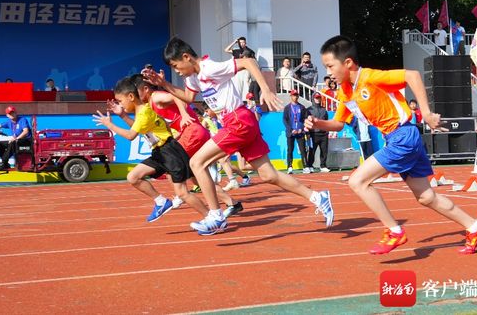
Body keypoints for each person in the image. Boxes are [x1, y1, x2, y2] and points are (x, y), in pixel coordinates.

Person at [306, 35, 477, 255]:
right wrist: (318, 123)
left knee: (358, 181)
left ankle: (394, 231)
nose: (328, 72)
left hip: (403, 136)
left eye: (330, 66)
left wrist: (427, 113)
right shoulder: (345, 91)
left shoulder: (371, 77)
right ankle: (474, 226)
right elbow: (337, 124)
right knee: (426, 197)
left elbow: (412, 75)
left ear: (348, 63)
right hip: (397, 138)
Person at [142, 37, 334, 235]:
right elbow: (189, 98)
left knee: (196, 162)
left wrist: (266, 90)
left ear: (186, 57)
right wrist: (163, 83)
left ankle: (216, 215)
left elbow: (248, 62)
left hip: (238, 120)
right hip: (239, 123)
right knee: (268, 175)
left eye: (176, 66)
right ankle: (318, 197)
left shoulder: (209, 67)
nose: (177, 71)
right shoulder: (192, 78)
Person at [92, 76, 211, 228]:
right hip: (160, 153)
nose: (120, 105)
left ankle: (210, 216)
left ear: (130, 96)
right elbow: (137, 127)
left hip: (170, 152)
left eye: (120, 101)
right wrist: (121, 114)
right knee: (133, 177)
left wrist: (110, 125)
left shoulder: (144, 112)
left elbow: (131, 135)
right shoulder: (142, 112)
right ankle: (161, 202)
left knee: (182, 193)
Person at [131, 73, 243, 218]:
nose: (135, 95)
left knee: (173, 164)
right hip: (191, 133)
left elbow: (177, 97)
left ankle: (181, 195)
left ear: (145, 89)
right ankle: (231, 203)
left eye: (136, 91)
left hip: (192, 133)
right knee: (197, 176)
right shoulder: (150, 104)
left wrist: (184, 114)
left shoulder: (156, 97)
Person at [0, 106, 31, 170]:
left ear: (16, 112)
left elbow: (26, 131)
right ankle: (6, 163)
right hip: (17, 141)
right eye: (10, 113)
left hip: (26, 141)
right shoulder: (9, 122)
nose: (12, 114)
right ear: (7, 115)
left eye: (13, 112)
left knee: (13, 142)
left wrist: (16, 138)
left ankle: (3, 163)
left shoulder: (22, 119)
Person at [283, 89, 310, 174]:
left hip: (300, 132)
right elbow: (285, 120)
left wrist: (301, 129)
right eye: (293, 95)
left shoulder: (302, 107)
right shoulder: (287, 108)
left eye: (296, 95)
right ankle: (290, 167)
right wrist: (291, 130)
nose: (295, 97)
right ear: (291, 96)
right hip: (291, 133)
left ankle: (305, 166)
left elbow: (305, 119)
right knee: (290, 150)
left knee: (303, 150)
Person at [307, 93, 330, 173]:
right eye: (316, 98)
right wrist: (308, 133)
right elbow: (307, 122)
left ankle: (323, 165)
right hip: (313, 134)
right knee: (312, 151)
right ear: (313, 98)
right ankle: (310, 165)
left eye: (319, 98)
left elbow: (326, 121)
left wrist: (327, 132)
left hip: (323, 134)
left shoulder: (324, 110)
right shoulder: (309, 110)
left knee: (324, 151)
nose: (317, 99)